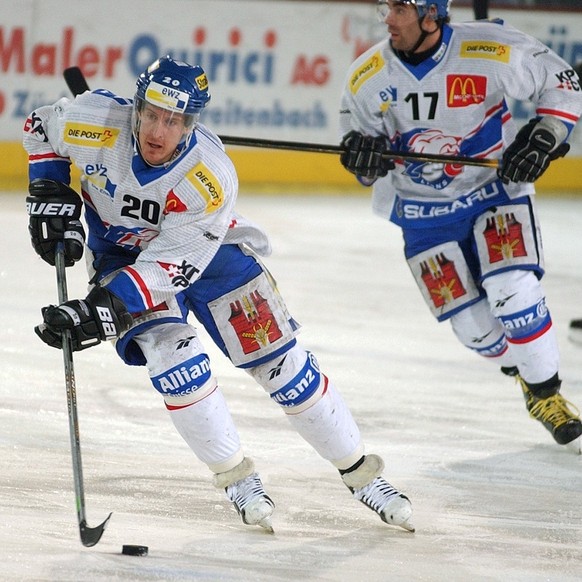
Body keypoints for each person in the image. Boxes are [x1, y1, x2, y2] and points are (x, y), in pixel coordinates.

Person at [23, 56, 414, 533]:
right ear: (138, 107)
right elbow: (40, 124)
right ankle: (236, 479)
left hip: (210, 256)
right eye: (150, 114)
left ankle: (362, 475)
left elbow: (172, 266)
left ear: (191, 124)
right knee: (173, 359)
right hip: (123, 257)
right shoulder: (95, 121)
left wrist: (99, 309)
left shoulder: (209, 178)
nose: (157, 131)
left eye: (173, 121)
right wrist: (49, 187)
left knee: (282, 367)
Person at [338, 1, 582, 448]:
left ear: (431, 15)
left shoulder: (489, 48)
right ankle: (526, 373)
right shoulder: (368, 75)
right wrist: (362, 155)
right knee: (475, 330)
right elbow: (360, 155)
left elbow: (564, 83)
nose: (387, 19)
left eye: (399, 9)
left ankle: (546, 394)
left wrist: (545, 136)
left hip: (495, 193)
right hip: (421, 213)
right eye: (385, 8)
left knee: (515, 290)